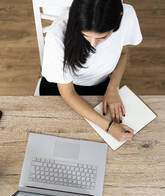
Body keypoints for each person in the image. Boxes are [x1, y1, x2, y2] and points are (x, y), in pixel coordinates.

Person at [40, 0, 143, 142]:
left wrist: (113, 88)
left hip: (101, 85)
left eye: (103, 37)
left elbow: (124, 53)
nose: (93, 44)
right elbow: (68, 94)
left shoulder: (127, 15)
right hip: (60, 90)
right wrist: (109, 127)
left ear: (119, 17)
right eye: (86, 35)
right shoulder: (56, 36)